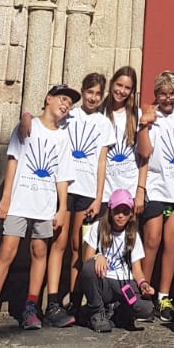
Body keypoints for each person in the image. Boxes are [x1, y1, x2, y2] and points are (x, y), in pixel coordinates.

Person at [0, 83, 77, 332]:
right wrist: (6, 196)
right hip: (20, 200)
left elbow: (62, 175)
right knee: (7, 250)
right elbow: (13, 160)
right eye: (62, 99)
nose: (66, 105)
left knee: (39, 251)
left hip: (44, 203)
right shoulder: (27, 126)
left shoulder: (63, 137)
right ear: (48, 99)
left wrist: (62, 207)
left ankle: (31, 307)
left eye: (70, 103)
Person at [53, 71, 114, 322]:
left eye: (98, 94)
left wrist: (99, 197)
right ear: (83, 91)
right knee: (60, 241)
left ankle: (77, 300)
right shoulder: (70, 116)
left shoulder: (104, 123)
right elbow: (46, 122)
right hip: (67, 186)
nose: (92, 97)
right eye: (89, 92)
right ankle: (54, 298)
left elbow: (102, 162)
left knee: (80, 246)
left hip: (89, 192)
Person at [137, 70, 174, 325]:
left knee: (173, 240)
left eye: (172, 94)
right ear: (156, 95)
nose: (168, 99)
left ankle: (164, 296)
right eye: (163, 94)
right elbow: (144, 152)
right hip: (156, 185)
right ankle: (144, 290)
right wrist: (144, 124)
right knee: (152, 239)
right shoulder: (150, 115)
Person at [81, 188, 155, 332]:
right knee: (89, 268)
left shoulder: (132, 234)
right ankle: (98, 312)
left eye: (125, 212)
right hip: (104, 280)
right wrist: (98, 256)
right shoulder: (98, 227)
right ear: (110, 211)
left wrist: (143, 283)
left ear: (131, 214)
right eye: (117, 211)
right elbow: (86, 259)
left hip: (124, 283)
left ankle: (118, 314)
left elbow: (137, 270)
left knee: (146, 309)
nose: (121, 216)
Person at [103, 66, 140, 203]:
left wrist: (140, 191)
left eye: (127, 88)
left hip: (129, 189)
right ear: (112, 83)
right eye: (119, 85)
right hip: (104, 189)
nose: (121, 91)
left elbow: (143, 158)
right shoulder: (100, 113)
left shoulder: (137, 115)